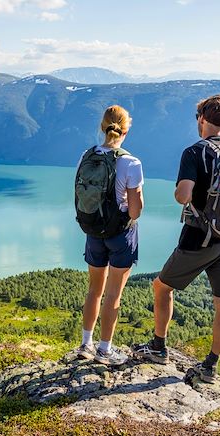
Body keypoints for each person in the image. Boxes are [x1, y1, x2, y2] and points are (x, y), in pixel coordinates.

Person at [134, 94, 220, 382]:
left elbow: (183, 195)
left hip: (199, 238)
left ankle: (159, 347)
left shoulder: (195, 152)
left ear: (202, 119)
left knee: (161, 287)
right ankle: (210, 366)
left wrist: (180, 193)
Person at [74, 105, 144, 366]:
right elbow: (135, 211)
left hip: (93, 230)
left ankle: (85, 344)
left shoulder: (87, 155)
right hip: (120, 235)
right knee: (113, 294)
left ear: (102, 127)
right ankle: (105, 350)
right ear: (126, 129)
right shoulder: (130, 162)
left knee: (94, 290)